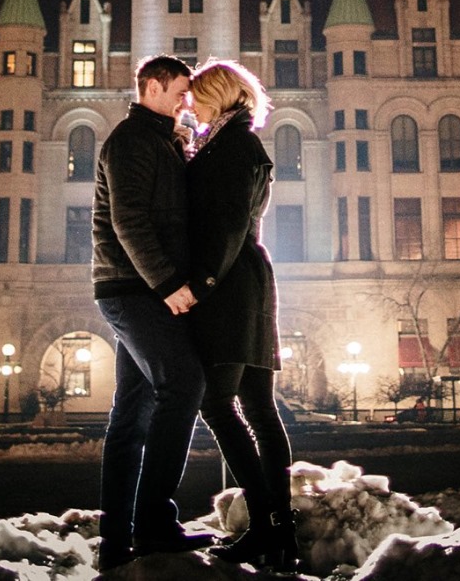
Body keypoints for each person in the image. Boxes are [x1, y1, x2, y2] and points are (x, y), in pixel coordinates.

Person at [93, 55, 209, 570]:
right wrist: (168, 284)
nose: (189, 101)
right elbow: (129, 220)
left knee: (132, 413)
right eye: (183, 91)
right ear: (155, 87)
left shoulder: (162, 139)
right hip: (134, 289)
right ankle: (154, 524)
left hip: (136, 288)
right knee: (183, 384)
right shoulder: (132, 140)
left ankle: (118, 538)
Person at [182, 60, 297, 572]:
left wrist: (202, 283)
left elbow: (227, 223)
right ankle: (279, 532)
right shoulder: (233, 141)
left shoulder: (233, 146)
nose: (191, 106)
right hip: (248, 278)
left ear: (220, 95)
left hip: (230, 284)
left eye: (198, 97)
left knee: (219, 402)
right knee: (257, 408)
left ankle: (267, 524)